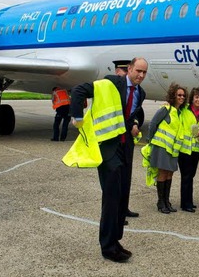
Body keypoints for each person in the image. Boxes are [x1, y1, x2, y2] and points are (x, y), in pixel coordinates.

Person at [69, 58, 147, 263]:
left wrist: (135, 123)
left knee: (122, 197)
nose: (141, 75)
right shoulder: (111, 83)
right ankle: (107, 247)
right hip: (108, 149)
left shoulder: (141, 93)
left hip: (126, 148)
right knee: (111, 198)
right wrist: (77, 116)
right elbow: (78, 90)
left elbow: (132, 114)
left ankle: (116, 239)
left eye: (144, 72)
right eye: (138, 71)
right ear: (129, 69)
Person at [147, 83, 187, 214]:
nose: (181, 97)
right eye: (179, 95)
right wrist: (150, 140)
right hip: (162, 147)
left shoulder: (180, 112)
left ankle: (167, 200)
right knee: (163, 173)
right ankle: (160, 201)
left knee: (170, 173)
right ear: (173, 96)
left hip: (172, 148)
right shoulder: (166, 109)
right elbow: (153, 124)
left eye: (183, 95)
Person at [177, 87, 199, 212]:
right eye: (196, 97)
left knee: (191, 175)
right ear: (192, 98)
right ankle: (186, 204)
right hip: (184, 149)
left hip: (196, 149)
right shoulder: (184, 109)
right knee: (186, 176)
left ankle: (187, 201)